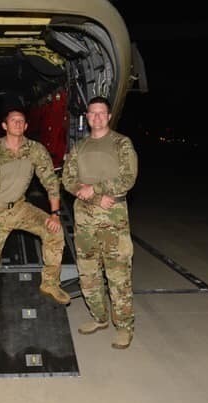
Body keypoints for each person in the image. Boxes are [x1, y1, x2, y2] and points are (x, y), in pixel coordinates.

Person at [0, 108, 70, 326]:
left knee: (54, 232)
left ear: (26, 126)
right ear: (4, 126)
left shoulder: (35, 150)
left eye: (21, 121)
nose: (18, 124)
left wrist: (55, 214)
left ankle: (50, 283)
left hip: (19, 208)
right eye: (13, 120)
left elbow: (50, 181)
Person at [62, 96, 138, 349]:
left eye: (101, 113)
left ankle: (124, 327)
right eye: (92, 113)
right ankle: (100, 317)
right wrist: (87, 192)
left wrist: (94, 188)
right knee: (89, 273)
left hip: (112, 218)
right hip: (84, 219)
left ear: (108, 116)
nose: (96, 117)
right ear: (87, 116)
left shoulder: (121, 144)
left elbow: (127, 178)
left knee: (118, 275)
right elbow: (67, 178)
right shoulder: (79, 147)